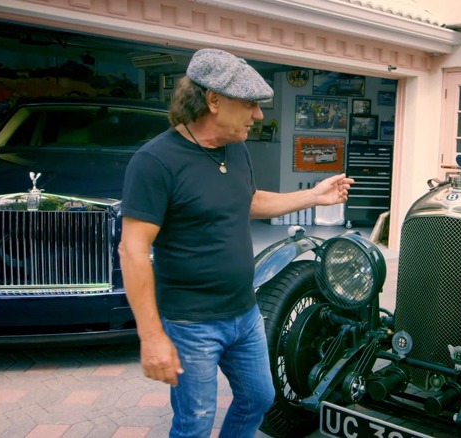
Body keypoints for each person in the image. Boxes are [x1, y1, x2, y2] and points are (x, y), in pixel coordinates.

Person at [118, 48, 354, 438]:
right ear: (213, 100)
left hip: (244, 314)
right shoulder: (156, 162)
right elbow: (133, 250)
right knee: (194, 423)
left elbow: (249, 201)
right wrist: (152, 336)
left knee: (259, 399)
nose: (258, 115)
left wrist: (314, 195)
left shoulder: (236, 150)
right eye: (249, 104)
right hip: (192, 324)